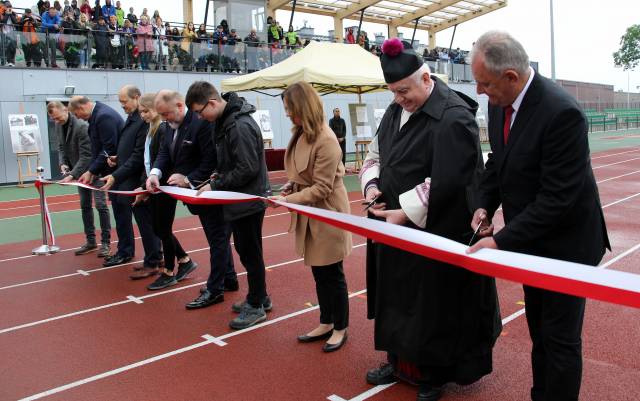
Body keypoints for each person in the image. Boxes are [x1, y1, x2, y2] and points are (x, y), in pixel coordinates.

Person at [467, 31, 611, 401]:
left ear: (511, 77)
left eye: (485, 83)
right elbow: (498, 161)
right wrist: (484, 206)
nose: (480, 92)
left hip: (568, 245)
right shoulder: (500, 101)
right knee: (539, 331)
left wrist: (499, 240)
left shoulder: (562, 113)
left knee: (560, 339)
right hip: (530, 241)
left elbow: (557, 200)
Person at [360, 38, 501, 401]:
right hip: (394, 229)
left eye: (404, 90)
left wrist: (404, 211)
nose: (399, 98)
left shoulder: (454, 115)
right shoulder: (395, 111)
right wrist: (373, 187)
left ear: (426, 79)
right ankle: (397, 361)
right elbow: (377, 153)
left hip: (435, 228)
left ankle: (433, 375)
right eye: (393, 91)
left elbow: (450, 178)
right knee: (394, 298)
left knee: (430, 307)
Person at [270, 81, 352, 352]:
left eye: (289, 110)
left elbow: (322, 188)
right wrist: (290, 187)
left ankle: (340, 327)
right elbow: (302, 175)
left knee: (332, 273)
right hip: (310, 212)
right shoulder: (301, 133)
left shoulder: (326, 140)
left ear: (303, 108)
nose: (287, 115)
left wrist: (287, 200)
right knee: (319, 272)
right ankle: (326, 321)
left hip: (328, 213)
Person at [187, 81, 272, 330]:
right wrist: (214, 178)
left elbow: (247, 168)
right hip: (238, 198)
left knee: (250, 253)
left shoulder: (239, 125)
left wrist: (216, 185)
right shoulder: (225, 122)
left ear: (212, 103)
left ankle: (256, 304)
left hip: (247, 199)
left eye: (201, 112)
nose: (201, 118)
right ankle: (260, 297)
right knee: (247, 251)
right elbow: (230, 163)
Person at [146, 90, 237, 298]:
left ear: (179, 106)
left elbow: (210, 161)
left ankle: (215, 288)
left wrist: (187, 179)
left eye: (166, 114)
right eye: (161, 115)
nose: (164, 119)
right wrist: (155, 173)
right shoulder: (169, 126)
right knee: (217, 239)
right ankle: (229, 278)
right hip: (197, 195)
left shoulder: (201, 124)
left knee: (218, 240)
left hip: (209, 191)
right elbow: (164, 153)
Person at [133, 93, 195, 280]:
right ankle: (183, 260)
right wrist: (145, 182)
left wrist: (155, 180)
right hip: (155, 184)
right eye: (141, 112)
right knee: (160, 228)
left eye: (146, 111)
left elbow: (164, 159)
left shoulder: (162, 129)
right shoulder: (152, 129)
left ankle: (169, 269)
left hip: (164, 186)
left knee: (162, 228)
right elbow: (149, 160)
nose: (143, 115)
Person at [100, 85, 162, 270]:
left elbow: (139, 156)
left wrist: (117, 174)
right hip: (128, 178)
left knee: (148, 224)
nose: (122, 105)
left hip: (138, 180)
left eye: (124, 101)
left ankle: (154, 260)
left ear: (136, 97)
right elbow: (133, 150)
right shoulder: (133, 119)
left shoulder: (144, 122)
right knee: (137, 222)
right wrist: (118, 159)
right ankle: (146, 257)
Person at [48, 101, 111, 257]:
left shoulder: (81, 126)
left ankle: (106, 243)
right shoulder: (58, 125)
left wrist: (72, 175)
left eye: (58, 118)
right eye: (53, 119)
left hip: (93, 171)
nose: (57, 121)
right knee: (84, 205)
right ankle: (91, 241)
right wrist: (63, 163)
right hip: (77, 172)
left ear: (66, 110)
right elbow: (61, 147)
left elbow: (87, 155)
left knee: (101, 205)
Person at [68, 97, 122, 261]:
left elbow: (108, 148)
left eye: (77, 113)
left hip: (114, 171)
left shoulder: (103, 116)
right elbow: (97, 148)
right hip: (103, 170)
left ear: (84, 106)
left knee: (118, 211)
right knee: (118, 212)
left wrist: (92, 170)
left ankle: (121, 250)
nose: (77, 117)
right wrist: (91, 172)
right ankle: (121, 250)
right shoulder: (96, 116)